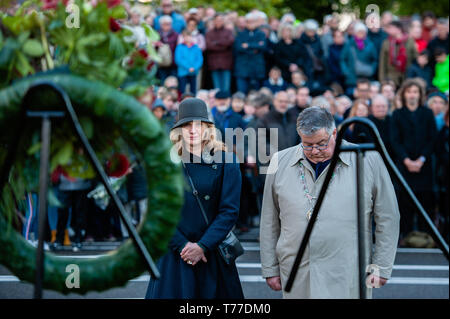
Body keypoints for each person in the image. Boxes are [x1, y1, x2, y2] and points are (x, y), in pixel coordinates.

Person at [260, 106, 400, 298]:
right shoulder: (279, 161)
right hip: (296, 269)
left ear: (334, 132)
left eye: (321, 143)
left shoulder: (369, 160)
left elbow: (388, 216)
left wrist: (382, 267)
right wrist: (270, 268)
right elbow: (269, 219)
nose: (315, 151)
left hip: (348, 270)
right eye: (307, 145)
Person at [145, 98, 244, 299]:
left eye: (198, 124)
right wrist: (183, 246)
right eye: (186, 125)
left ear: (208, 127)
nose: (192, 130)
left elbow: (229, 211)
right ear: (178, 129)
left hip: (212, 253)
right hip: (175, 254)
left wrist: (202, 246)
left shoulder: (227, 160)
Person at [390, 79, 438, 241]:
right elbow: (395, 140)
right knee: (404, 202)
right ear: (404, 94)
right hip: (404, 166)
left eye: (415, 92)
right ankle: (406, 236)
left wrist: (421, 160)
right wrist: (407, 160)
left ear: (420, 95)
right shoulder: (397, 114)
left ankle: (426, 237)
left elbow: (432, 139)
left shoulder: (427, 113)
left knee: (426, 202)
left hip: (423, 166)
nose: (412, 95)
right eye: (409, 91)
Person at [234, 12, 267, 94]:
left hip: (256, 70)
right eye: (249, 22)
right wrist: (255, 47)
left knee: (256, 95)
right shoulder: (240, 34)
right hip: (243, 69)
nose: (251, 24)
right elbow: (239, 47)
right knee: (242, 93)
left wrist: (248, 45)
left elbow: (263, 46)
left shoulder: (261, 34)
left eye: (253, 22)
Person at [340, 22, 378, 92]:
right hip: (352, 79)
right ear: (355, 32)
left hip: (367, 77)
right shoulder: (349, 44)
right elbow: (342, 59)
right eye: (359, 31)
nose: (361, 33)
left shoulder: (370, 44)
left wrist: (372, 70)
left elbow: (375, 59)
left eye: (363, 32)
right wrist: (346, 72)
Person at [378, 21, 417, 86]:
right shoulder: (386, 43)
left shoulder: (409, 41)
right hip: (391, 78)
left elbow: (415, 58)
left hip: (407, 76)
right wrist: (382, 80)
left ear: (398, 29)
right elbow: (382, 63)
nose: (388, 30)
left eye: (390, 28)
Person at [205, 14, 235, 93]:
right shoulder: (209, 33)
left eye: (221, 20)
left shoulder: (228, 32)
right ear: (214, 21)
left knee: (226, 88)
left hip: (226, 63)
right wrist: (223, 44)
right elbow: (209, 46)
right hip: (214, 64)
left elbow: (230, 42)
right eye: (217, 20)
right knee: (217, 89)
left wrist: (216, 43)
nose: (219, 22)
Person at [174, 30, 203, 94]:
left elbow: (199, 59)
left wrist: (194, 68)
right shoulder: (179, 47)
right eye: (185, 36)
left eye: (189, 36)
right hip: (183, 72)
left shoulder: (196, 47)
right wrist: (188, 67)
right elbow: (178, 59)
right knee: (182, 89)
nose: (187, 38)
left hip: (193, 72)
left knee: (193, 89)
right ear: (183, 38)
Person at [156, 15, 179, 83]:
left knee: (173, 83)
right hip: (161, 64)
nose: (167, 26)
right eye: (165, 24)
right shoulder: (156, 34)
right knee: (162, 83)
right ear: (161, 24)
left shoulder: (176, 35)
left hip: (172, 65)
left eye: (169, 24)